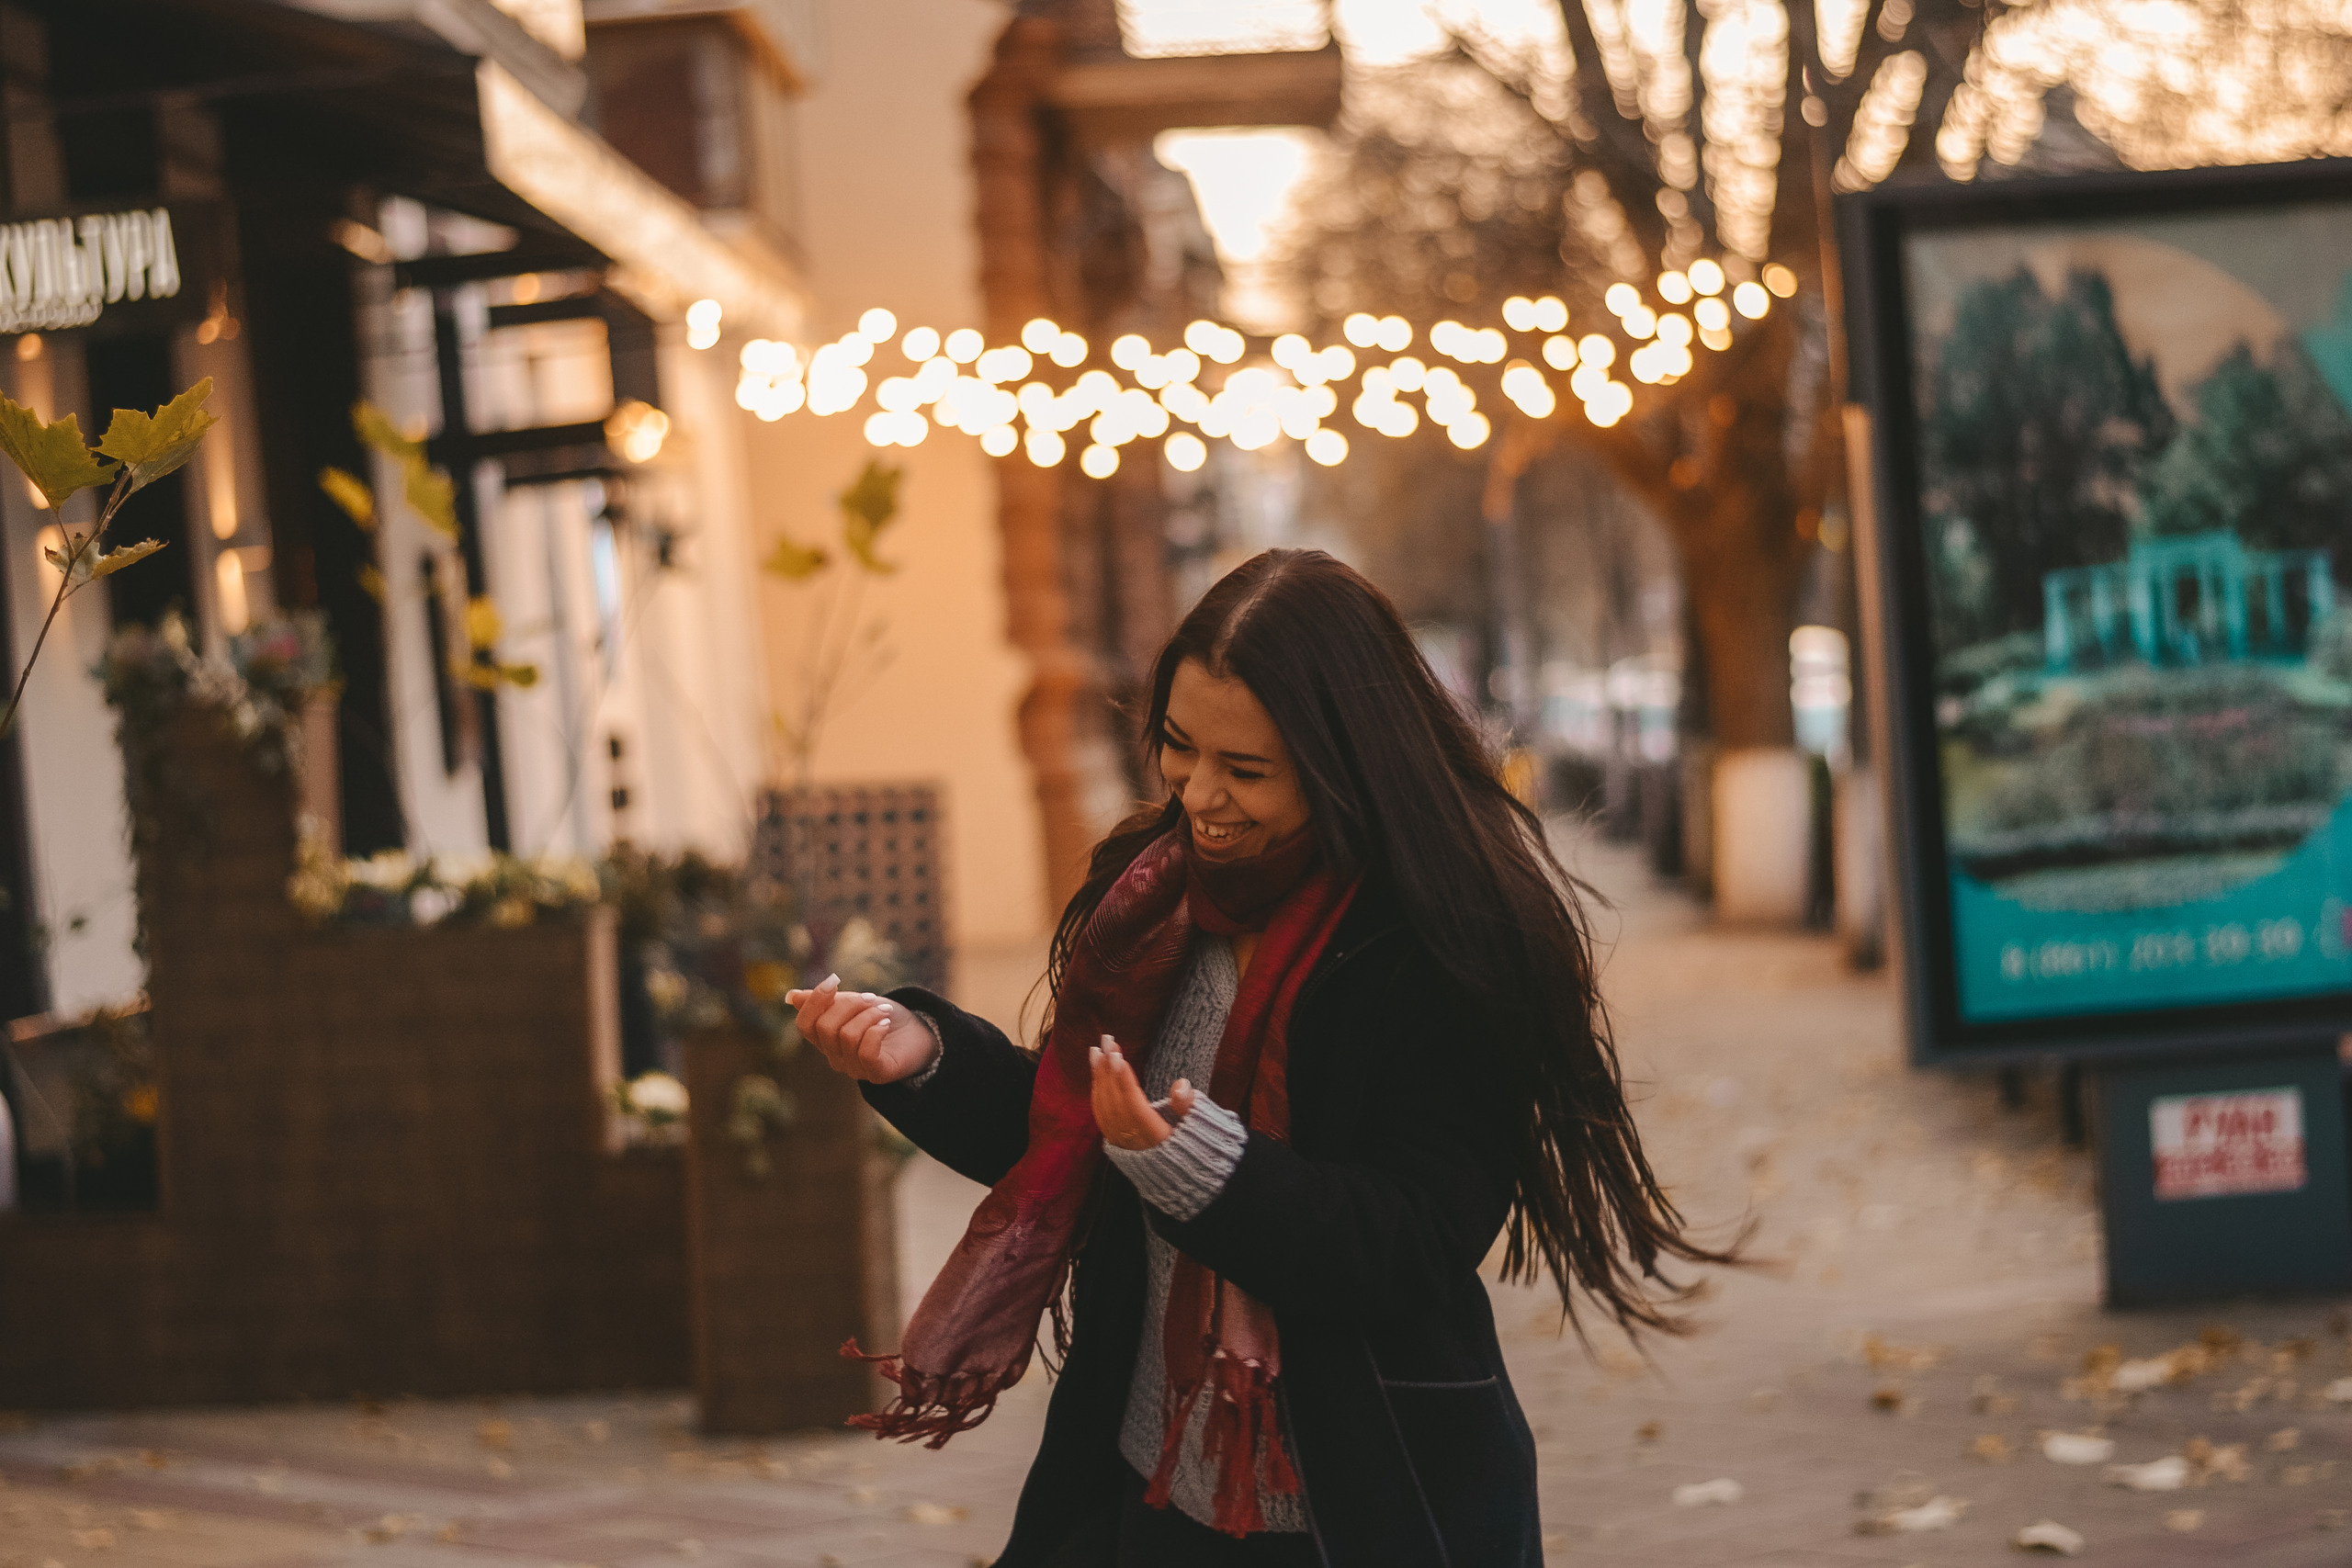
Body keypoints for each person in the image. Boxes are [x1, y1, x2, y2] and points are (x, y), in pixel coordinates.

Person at [787, 549, 1730, 1568]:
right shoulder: (1150, 901)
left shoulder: (1435, 942)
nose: (1199, 796)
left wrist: (1201, 1172)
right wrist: (923, 1058)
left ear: (1343, 763)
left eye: (1245, 771)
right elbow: (1076, 1135)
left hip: (1347, 1503)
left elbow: (1414, 1237)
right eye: (1179, 750)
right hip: (1143, 1480)